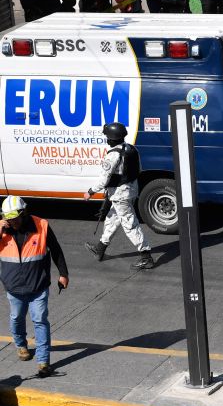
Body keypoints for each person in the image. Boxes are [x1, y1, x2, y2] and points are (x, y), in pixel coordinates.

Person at [0, 196, 69, 378]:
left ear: (24, 214)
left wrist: (63, 274)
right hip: (14, 288)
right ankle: (21, 345)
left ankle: (43, 361)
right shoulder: (2, 230)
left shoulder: (42, 226)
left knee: (40, 320)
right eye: (8, 219)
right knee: (16, 318)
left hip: (38, 286)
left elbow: (56, 249)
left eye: (15, 218)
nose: (12, 222)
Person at [83, 122, 155, 271]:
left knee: (130, 224)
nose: (106, 139)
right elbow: (139, 170)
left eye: (107, 137)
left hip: (120, 194)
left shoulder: (113, 155)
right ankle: (100, 248)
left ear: (112, 139)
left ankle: (146, 256)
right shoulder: (132, 149)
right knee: (112, 218)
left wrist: (90, 192)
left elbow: (104, 180)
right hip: (130, 190)